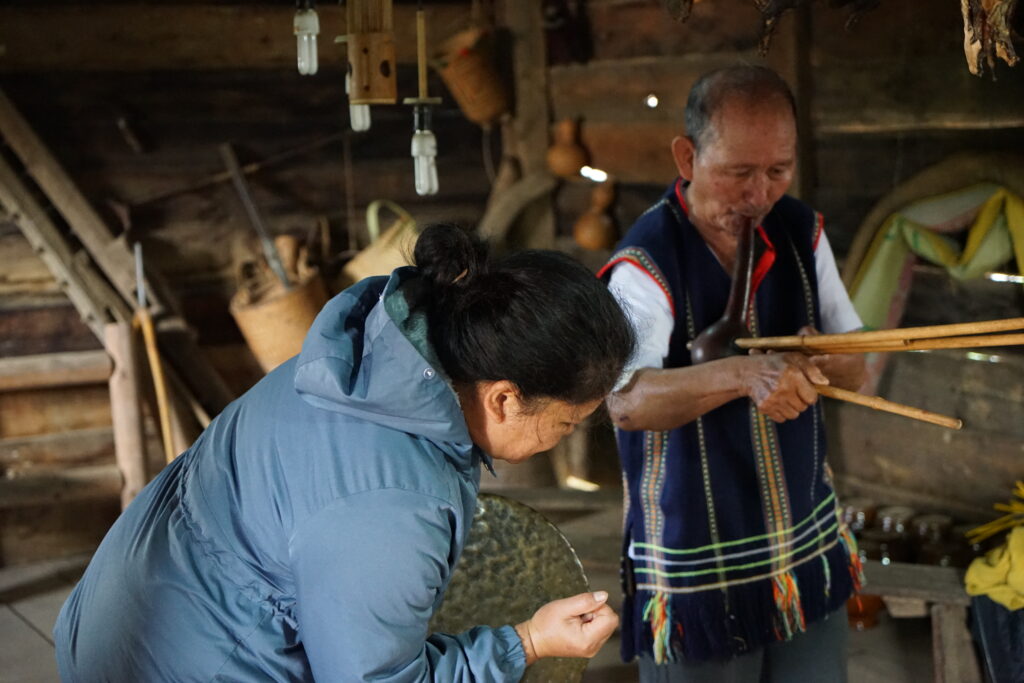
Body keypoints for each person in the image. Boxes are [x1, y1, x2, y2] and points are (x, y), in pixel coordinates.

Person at [54, 224, 635, 681]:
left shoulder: (367, 362)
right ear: (505, 398)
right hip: (185, 661)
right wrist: (526, 643)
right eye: (567, 422)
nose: (565, 436)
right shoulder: (395, 502)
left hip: (123, 618)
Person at [597, 65, 867, 682]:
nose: (759, 195)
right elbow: (626, 402)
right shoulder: (646, 261)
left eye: (778, 170)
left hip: (804, 547)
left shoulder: (802, 231)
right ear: (686, 157)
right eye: (739, 173)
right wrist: (745, 376)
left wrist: (822, 354)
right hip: (696, 568)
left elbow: (858, 367)